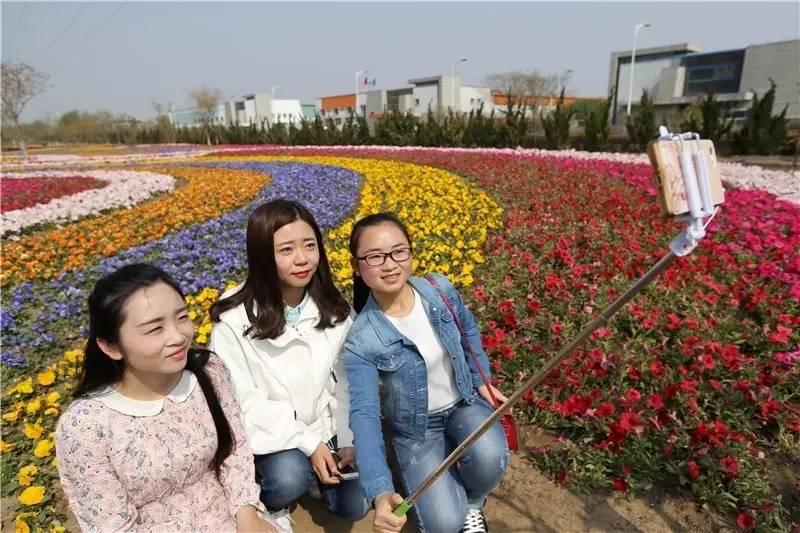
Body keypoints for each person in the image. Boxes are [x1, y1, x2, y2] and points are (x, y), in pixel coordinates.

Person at [56, 263, 278, 533]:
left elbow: (234, 450)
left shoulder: (208, 372)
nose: (178, 336)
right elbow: (112, 526)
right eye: (154, 329)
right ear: (111, 346)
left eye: (182, 317)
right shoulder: (84, 427)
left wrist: (247, 517)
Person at [344, 213, 510, 533]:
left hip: (464, 403)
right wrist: (380, 491)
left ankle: (473, 503)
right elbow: (364, 415)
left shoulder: (439, 291)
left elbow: (467, 330)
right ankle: (441, 489)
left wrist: (482, 381)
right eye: (375, 257)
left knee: (490, 458)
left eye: (398, 251)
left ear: (411, 252)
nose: (390, 264)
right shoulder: (362, 339)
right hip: (416, 431)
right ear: (355, 265)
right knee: (442, 526)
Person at [210, 199, 369, 528]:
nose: (302, 258)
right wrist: (308, 444)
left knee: (355, 505)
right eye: (286, 250)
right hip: (271, 436)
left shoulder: (334, 308)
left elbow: (348, 381)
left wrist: (348, 439)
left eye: (310, 245)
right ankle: (270, 502)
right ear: (262, 256)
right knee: (286, 478)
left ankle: (315, 474)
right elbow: (241, 401)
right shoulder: (234, 318)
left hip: (325, 428)